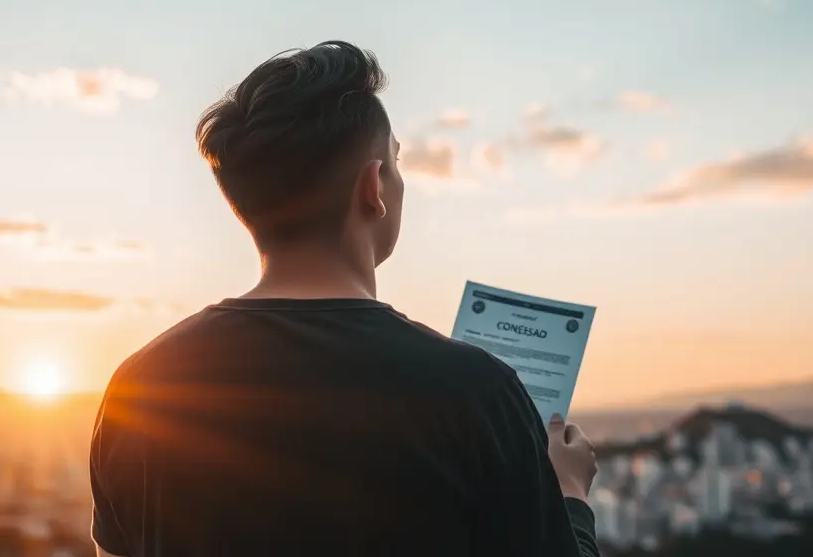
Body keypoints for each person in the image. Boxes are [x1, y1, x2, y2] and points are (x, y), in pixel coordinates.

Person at [89, 41, 601, 556]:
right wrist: (569, 496)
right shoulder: (479, 393)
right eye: (396, 161)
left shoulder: (138, 387)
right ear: (374, 187)